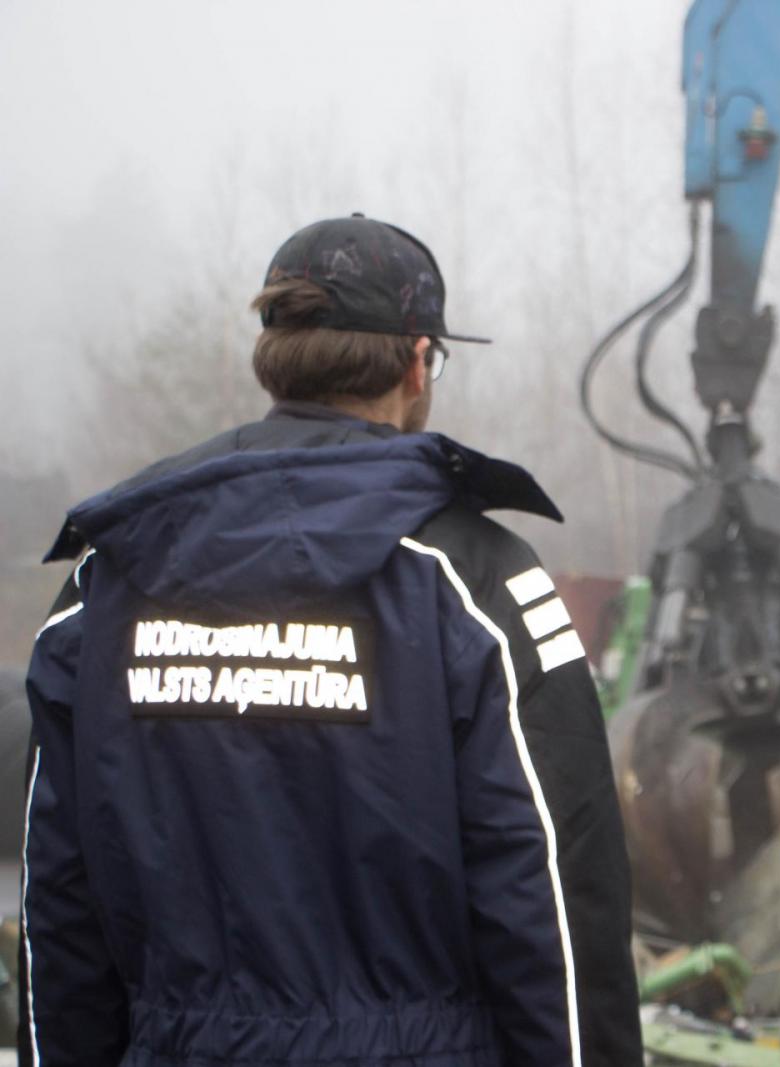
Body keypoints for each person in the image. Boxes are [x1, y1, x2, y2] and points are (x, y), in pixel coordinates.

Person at [20, 214, 642, 1066]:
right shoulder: (477, 583)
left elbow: (58, 906)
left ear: (274, 359)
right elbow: (560, 909)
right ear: (419, 362)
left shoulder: (106, 580)